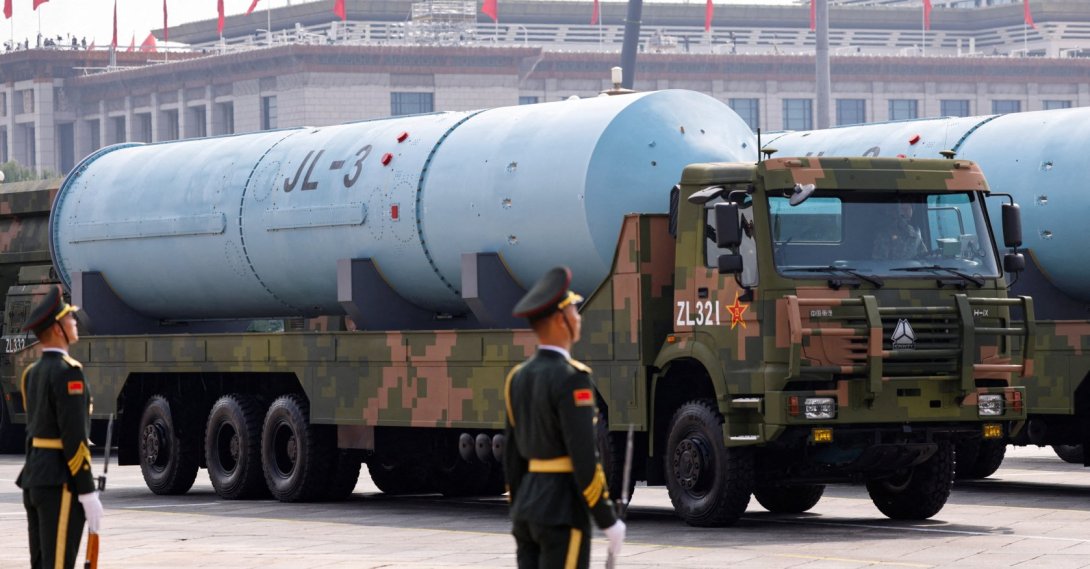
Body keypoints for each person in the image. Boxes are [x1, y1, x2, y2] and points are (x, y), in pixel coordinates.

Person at [503, 266, 625, 569]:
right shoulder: (572, 378)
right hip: (562, 510)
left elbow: (512, 458)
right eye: (574, 310)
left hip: (527, 512)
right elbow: (584, 456)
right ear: (560, 321)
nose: (579, 317)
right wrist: (607, 519)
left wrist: (520, 506)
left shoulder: (517, 378)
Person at [16, 286, 103, 569]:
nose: (74, 323)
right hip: (59, 483)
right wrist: (87, 492)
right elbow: (74, 438)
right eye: (69, 319)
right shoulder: (68, 373)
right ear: (56, 329)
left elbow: (36, 429)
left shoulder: (31, 373)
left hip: (35, 479)